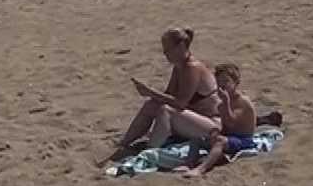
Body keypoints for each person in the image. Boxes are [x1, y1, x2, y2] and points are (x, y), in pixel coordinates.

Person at [98, 28, 220, 165]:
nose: (165, 54)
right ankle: (125, 142)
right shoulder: (179, 67)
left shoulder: (193, 68)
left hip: (211, 126)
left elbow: (180, 103)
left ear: (180, 47)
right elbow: (168, 95)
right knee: (152, 105)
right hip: (192, 120)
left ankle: (149, 151)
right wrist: (151, 94)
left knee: (165, 111)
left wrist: (150, 91)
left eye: (167, 49)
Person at [176, 64, 258, 178]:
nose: (223, 85)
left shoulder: (243, 102)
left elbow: (231, 122)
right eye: (219, 82)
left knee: (220, 141)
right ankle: (188, 163)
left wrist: (226, 103)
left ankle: (201, 169)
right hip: (230, 137)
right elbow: (226, 127)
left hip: (243, 140)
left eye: (226, 81)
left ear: (236, 82)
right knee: (198, 137)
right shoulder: (221, 103)